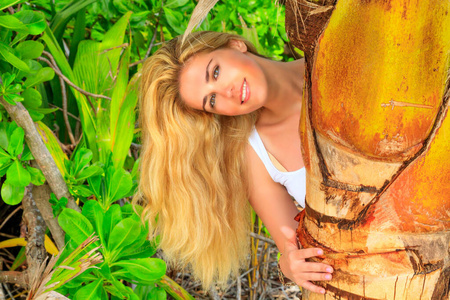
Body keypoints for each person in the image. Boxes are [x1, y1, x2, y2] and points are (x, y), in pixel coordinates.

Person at [137, 31, 333, 295]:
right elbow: (291, 249)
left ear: (235, 45)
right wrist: (290, 266)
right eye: (212, 101)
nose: (226, 92)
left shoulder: (333, 50)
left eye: (215, 72)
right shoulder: (257, 157)